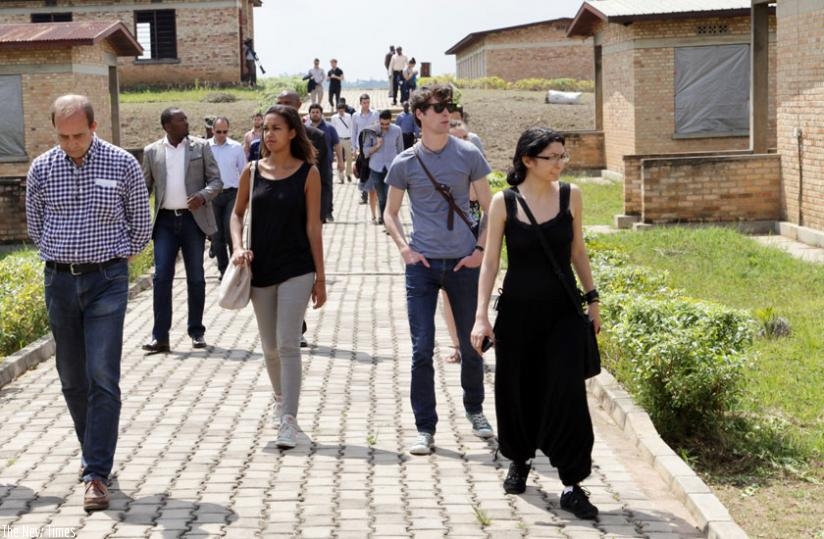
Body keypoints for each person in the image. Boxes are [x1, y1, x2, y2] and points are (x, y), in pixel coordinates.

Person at [25, 94, 152, 511]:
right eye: (63, 136)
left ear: (94, 127)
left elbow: (139, 223)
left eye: (78, 135)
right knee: (71, 378)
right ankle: (94, 448)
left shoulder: (122, 164)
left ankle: (96, 473)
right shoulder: (42, 168)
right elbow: (35, 224)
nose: (71, 143)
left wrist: (118, 260)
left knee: (102, 374)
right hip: (59, 281)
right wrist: (58, 251)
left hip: (106, 282)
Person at [471, 127, 600, 520]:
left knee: (567, 396)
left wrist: (592, 298)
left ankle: (572, 484)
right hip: (517, 315)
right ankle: (520, 459)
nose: (560, 163)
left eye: (564, 156)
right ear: (528, 160)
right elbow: (491, 261)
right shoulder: (503, 202)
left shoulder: (570, 195)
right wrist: (481, 317)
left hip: (562, 313)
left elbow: (577, 250)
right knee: (518, 390)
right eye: (553, 157)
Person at [383, 84, 495, 455]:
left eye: (447, 106)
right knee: (421, 348)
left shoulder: (468, 154)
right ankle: (425, 427)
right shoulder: (405, 163)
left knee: (471, 344)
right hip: (423, 265)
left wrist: (480, 250)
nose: (445, 113)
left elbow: (491, 209)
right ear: (419, 114)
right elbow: (390, 211)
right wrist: (404, 248)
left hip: (464, 261)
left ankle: (475, 409)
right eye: (436, 107)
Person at [229, 104, 326, 449]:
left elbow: (314, 227)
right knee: (269, 347)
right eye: (265, 128)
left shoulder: (308, 173)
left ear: (292, 133)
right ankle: (280, 398)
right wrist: (238, 247)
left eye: (276, 128)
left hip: (298, 268)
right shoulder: (252, 171)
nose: (268, 134)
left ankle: (289, 420)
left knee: (287, 342)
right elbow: (236, 215)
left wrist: (320, 278)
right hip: (260, 268)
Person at [142, 107, 223, 353]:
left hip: (192, 221)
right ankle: (160, 337)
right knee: (161, 278)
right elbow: (143, 188)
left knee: (196, 277)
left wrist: (202, 195)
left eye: (186, 118)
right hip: (165, 222)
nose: (186, 122)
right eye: (180, 120)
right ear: (167, 125)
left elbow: (216, 181)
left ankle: (196, 332)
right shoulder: (152, 151)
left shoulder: (200, 147)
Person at [440, 120, 481, 364]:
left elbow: (476, 197)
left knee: (473, 294)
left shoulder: (475, 165)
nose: (464, 143)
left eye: (466, 138)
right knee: (448, 293)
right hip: (446, 238)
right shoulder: (437, 167)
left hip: (473, 237)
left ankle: (474, 342)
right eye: (458, 139)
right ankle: (457, 345)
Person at [277, 91, 333, 223]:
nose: (282, 107)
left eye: (287, 103)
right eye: (279, 103)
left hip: (305, 207)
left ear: (298, 105)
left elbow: (324, 178)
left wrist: (320, 214)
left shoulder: (316, 137)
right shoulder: (269, 136)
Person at [208, 116, 247, 279]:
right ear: (212, 130)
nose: (222, 135)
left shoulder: (236, 147)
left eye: (225, 131)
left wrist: (246, 198)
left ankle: (236, 267)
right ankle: (223, 271)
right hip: (212, 196)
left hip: (232, 194)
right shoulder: (205, 148)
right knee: (216, 236)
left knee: (231, 232)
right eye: (218, 132)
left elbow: (244, 171)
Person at [362, 109, 402, 224]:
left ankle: (387, 221)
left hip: (391, 168)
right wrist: (377, 146)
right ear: (379, 120)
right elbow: (365, 151)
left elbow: (400, 150)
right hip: (376, 167)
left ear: (391, 120)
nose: (385, 126)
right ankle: (383, 218)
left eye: (387, 124)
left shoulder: (397, 130)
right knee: (381, 196)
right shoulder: (370, 131)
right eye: (382, 124)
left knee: (390, 196)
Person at [306, 104, 343, 190]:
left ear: (321, 114)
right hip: (309, 165)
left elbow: (337, 144)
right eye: (313, 112)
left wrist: (340, 161)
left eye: (317, 112)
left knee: (326, 191)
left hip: (326, 165)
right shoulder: (305, 129)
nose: (315, 114)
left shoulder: (329, 128)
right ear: (309, 114)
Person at [350, 93, 379, 205]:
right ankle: (363, 194)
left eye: (368, 102)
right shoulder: (355, 116)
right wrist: (353, 148)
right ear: (360, 103)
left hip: (373, 147)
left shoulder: (375, 114)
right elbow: (353, 132)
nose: (366, 105)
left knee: (374, 170)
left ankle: (375, 192)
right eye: (364, 103)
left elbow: (378, 129)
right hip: (361, 147)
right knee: (363, 170)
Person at [329, 103, 353, 183]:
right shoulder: (334, 118)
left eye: (342, 110)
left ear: (344, 110)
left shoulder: (349, 116)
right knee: (339, 158)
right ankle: (341, 177)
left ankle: (348, 173)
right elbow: (332, 129)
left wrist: (352, 140)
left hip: (347, 139)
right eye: (340, 110)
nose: (341, 112)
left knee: (349, 158)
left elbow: (351, 127)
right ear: (337, 110)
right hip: (338, 140)